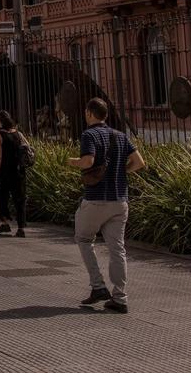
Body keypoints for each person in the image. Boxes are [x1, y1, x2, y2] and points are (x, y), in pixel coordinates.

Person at [68, 98, 146, 314]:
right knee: (117, 248)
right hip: (120, 200)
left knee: (83, 238)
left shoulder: (89, 135)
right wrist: (122, 172)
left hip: (95, 198)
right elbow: (140, 162)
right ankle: (120, 297)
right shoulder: (120, 136)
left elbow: (88, 162)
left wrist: (73, 162)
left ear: (89, 113)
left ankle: (98, 286)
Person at [0, 110, 27, 237]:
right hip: (19, 171)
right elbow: (27, 147)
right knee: (20, 199)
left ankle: (5, 223)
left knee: (0, 196)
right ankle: (21, 228)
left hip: (4, 172)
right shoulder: (18, 133)